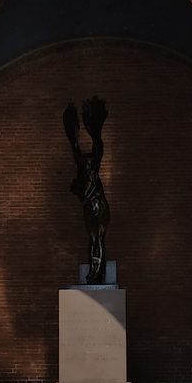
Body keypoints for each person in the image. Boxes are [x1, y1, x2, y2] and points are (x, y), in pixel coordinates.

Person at [63, 96, 111, 284]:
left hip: (99, 205)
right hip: (90, 206)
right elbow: (76, 150)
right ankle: (95, 270)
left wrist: (94, 131)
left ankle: (96, 271)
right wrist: (73, 135)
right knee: (93, 238)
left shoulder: (92, 171)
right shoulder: (84, 171)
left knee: (98, 237)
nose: (88, 164)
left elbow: (98, 147)